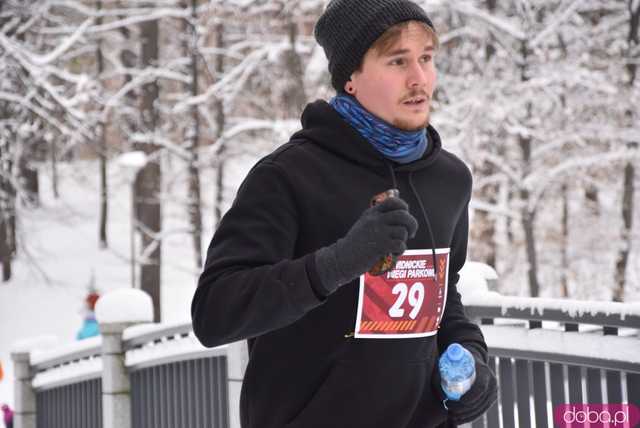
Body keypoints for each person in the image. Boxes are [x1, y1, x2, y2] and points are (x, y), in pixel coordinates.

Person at [191, 1, 498, 427]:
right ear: (351, 77)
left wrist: (472, 359)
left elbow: (445, 299)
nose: (419, 78)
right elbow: (214, 314)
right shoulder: (286, 176)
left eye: (426, 59)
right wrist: (335, 264)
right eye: (397, 61)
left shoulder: (448, 180)